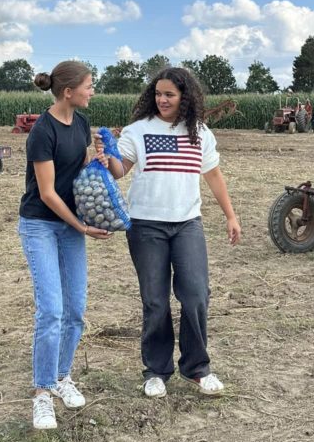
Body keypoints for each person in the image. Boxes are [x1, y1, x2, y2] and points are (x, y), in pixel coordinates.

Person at [101, 67, 241, 399]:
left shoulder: (200, 133)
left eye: (170, 95)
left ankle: (197, 369)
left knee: (195, 295)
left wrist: (231, 216)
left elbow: (214, 176)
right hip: (145, 225)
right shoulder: (138, 130)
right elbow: (121, 170)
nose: (162, 100)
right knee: (155, 300)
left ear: (185, 98)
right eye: (158, 94)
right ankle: (156, 371)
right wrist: (108, 158)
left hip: (187, 224)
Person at [18, 62, 110, 431]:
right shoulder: (42, 131)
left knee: (76, 310)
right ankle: (41, 393)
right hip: (41, 224)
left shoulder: (82, 124)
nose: (93, 91)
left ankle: (61, 376)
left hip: (72, 225)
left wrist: (98, 159)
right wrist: (82, 226)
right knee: (51, 311)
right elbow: (47, 193)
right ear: (68, 91)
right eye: (89, 86)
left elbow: (76, 169)